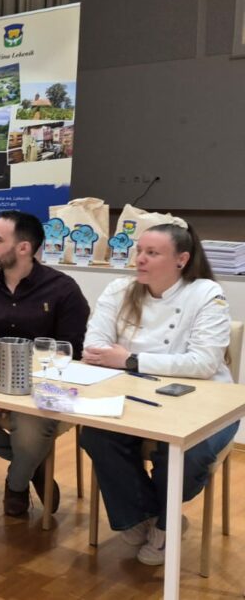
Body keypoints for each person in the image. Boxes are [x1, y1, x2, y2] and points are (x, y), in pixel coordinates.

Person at [79, 222, 238, 566]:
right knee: (96, 436)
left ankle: (164, 526)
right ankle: (146, 517)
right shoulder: (119, 289)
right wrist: (124, 362)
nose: (140, 259)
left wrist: (130, 359)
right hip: (134, 394)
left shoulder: (206, 294)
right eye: (139, 251)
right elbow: (93, 347)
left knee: (182, 453)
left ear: (182, 259)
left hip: (205, 401)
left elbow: (203, 363)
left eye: (152, 253)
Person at [0, 211, 90, 516]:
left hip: (50, 388)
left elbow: (69, 355)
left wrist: (23, 391)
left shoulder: (63, 289)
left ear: (23, 248)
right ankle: (32, 466)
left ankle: (16, 483)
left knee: (30, 429)